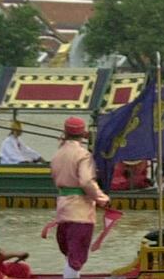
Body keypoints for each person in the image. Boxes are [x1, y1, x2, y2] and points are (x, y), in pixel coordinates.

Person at [48, 117, 108, 279]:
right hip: (80, 212)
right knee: (77, 256)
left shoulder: (58, 154)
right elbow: (86, 181)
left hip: (62, 209)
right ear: (83, 134)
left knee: (70, 253)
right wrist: (101, 198)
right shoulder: (83, 155)